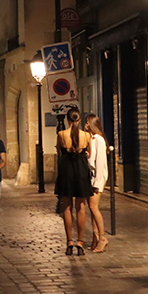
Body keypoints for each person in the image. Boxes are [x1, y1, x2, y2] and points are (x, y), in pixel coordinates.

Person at [55, 108, 93, 256]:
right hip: (81, 171)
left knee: (67, 207)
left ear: (67, 120)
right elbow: (88, 153)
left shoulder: (61, 134)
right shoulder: (86, 135)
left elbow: (59, 151)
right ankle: (81, 242)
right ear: (78, 120)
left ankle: (69, 241)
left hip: (67, 171)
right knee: (81, 208)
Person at [85, 114, 109, 253]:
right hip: (92, 177)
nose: (85, 125)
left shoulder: (98, 139)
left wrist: (97, 182)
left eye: (87, 123)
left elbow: (100, 163)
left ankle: (102, 238)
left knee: (94, 207)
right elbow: (92, 160)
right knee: (91, 207)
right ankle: (95, 238)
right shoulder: (92, 139)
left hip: (97, 178)